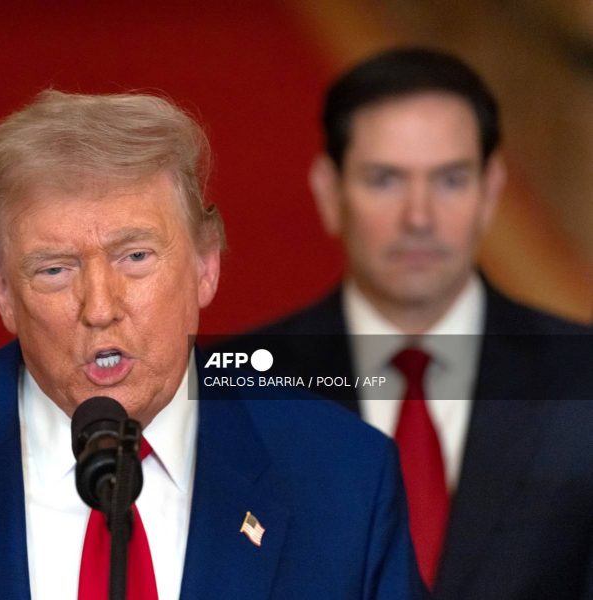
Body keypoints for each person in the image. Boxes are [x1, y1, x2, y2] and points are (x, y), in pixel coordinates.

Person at [0, 90, 425, 599]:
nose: (100, 309)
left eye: (135, 258)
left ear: (207, 264)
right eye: (55, 270)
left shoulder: (343, 481)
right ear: (2, 290)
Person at [252, 48, 593, 599]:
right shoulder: (241, 390)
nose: (419, 217)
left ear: (491, 191)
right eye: (385, 180)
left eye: (451, 180)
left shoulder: (583, 379)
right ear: (329, 191)